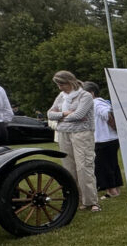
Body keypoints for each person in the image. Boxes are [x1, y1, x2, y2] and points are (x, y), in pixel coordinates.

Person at [47, 71, 98, 210]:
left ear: (70, 81)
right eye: (58, 84)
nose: (59, 87)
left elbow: (80, 114)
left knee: (84, 166)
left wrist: (61, 117)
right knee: (69, 168)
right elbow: (50, 114)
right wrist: (63, 114)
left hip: (82, 133)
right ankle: (79, 200)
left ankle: (92, 201)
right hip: (64, 133)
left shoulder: (85, 96)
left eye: (61, 84)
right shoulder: (61, 97)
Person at [84, 81, 122, 199]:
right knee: (112, 165)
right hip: (111, 139)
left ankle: (112, 191)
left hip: (103, 140)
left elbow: (107, 113)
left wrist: (113, 123)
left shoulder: (95, 103)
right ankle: (115, 189)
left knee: (103, 166)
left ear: (91, 93)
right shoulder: (101, 102)